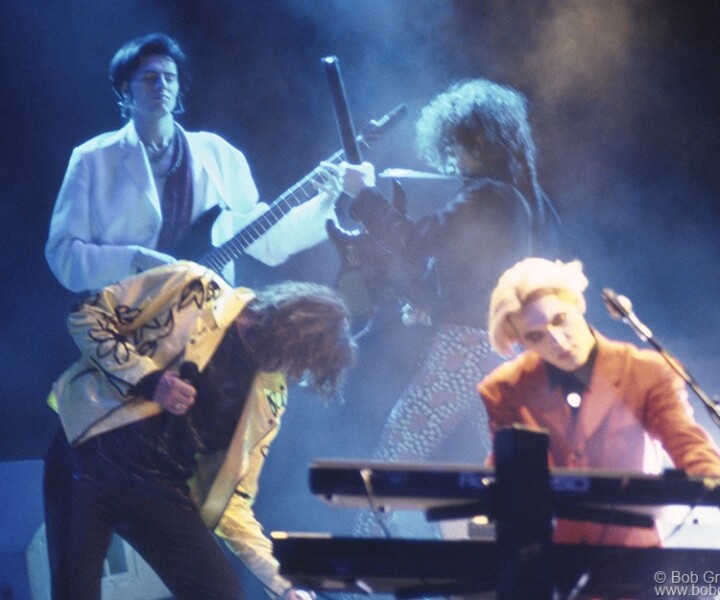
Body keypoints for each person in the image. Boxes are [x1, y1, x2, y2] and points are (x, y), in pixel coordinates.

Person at [320, 78, 560, 538]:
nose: (451, 159)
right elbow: (486, 275)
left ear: (476, 141)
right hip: (510, 356)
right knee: (505, 474)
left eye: (456, 147)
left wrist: (363, 197)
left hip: (468, 351)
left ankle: (360, 581)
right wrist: (435, 303)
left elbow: (415, 242)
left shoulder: (488, 195)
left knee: (395, 457)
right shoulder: (533, 202)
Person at [43, 260, 356, 599]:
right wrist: (148, 379)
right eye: (300, 360)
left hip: (161, 490)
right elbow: (88, 315)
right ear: (288, 328)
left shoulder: (270, 397)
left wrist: (286, 587)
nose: (294, 374)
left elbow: (234, 504)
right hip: (91, 459)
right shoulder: (195, 287)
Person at [45, 32, 334, 293]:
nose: (161, 85)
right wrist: (134, 258)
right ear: (124, 89)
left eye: (170, 78)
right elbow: (63, 255)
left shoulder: (218, 153)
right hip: (128, 328)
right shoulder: (92, 159)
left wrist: (331, 202)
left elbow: (271, 241)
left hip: (207, 324)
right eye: (149, 78)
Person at [477, 257, 720, 548]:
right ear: (521, 341)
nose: (556, 340)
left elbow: (689, 447)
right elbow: (506, 474)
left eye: (559, 319)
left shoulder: (646, 371)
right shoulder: (504, 389)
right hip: (546, 563)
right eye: (535, 336)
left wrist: (712, 482)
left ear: (577, 304)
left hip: (637, 560)